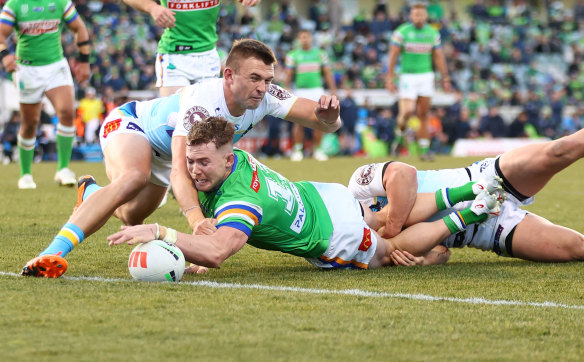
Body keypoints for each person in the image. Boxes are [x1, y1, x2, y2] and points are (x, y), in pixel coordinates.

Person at [20, 39, 342, 277]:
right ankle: (52, 254)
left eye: (268, 80)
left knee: (131, 218)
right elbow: (180, 171)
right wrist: (196, 223)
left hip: (167, 154)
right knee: (134, 177)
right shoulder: (204, 100)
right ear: (229, 75)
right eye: (255, 78)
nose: (263, 87)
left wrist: (330, 116)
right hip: (134, 126)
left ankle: (91, 194)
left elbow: (321, 120)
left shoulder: (266, 97)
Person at [106, 117, 500, 272]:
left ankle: (471, 213)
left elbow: (219, 249)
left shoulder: (239, 200)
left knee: (391, 251)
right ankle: (468, 189)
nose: (194, 170)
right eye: (191, 161)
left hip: (332, 234)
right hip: (320, 194)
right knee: (381, 219)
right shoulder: (235, 157)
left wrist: (161, 232)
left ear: (227, 162)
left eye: (204, 163)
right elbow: (214, 231)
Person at [348, 128, 584, 264]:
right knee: (577, 248)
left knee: (560, 151)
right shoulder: (363, 245)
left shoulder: (357, 187)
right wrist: (423, 261)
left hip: (485, 177)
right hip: (488, 231)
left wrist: (391, 230)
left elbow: (403, 174)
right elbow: (441, 252)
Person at [0, 0, 91, 189]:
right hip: (26, 68)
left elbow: (79, 28)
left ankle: (63, 169)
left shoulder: (60, 2)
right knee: (30, 123)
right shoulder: (15, 5)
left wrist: (84, 61)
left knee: (67, 111)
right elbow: (1, 33)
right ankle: (25, 174)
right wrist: (5, 55)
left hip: (55, 66)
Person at [122, 0, 260, 97]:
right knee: (174, 119)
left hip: (207, 55)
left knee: (206, 124)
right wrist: (153, 7)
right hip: (174, 56)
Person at [385, 3, 450, 161]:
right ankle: (400, 136)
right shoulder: (402, 32)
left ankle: (424, 149)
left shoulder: (433, 33)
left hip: (426, 76)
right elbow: (393, 56)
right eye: (415, 15)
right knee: (407, 111)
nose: (418, 18)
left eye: (421, 15)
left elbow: (438, 56)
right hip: (408, 76)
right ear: (410, 16)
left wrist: (445, 77)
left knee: (424, 114)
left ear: (426, 16)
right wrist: (390, 77)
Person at [286, 29, 337, 161]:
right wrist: (287, 88)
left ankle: (318, 150)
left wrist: (332, 89)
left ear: (311, 39)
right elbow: (289, 74)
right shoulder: (293, 55)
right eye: (302, 37)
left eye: (307, 37)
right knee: (298, 122)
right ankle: (297, 150)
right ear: (298, 39)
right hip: (300, 91)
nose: (305, 40)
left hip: (317, 90)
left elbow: (327, 73)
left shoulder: (320, 54)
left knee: (319, 121)